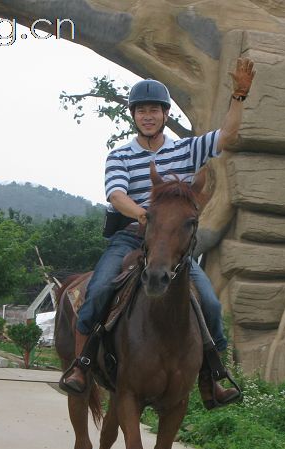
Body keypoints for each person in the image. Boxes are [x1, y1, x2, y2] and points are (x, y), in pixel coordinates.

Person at [59, 59, 255, 409]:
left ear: (165, 114)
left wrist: (239, 95)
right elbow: (116, 195)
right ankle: (82, 366)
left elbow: (228, 135)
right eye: (142, 111)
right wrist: (145, 216)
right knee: (100, 289)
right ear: (133, 116)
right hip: (132, 237)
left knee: (209, 302)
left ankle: (213, 378)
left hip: (175, 246)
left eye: (154, 110)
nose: (148, 116)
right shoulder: (119, 156)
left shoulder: (186, 149)